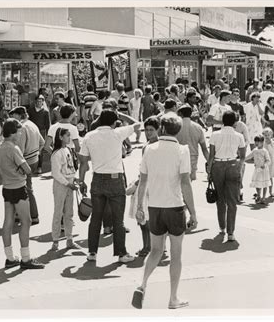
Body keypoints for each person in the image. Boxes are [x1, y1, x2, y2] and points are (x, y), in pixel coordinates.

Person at [132, 113, 198, 310]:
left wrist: (139, 207)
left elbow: (142, 181)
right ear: (178, 130)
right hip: (174, 206)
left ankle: (142, 284)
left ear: (161, 128)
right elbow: (185, 182)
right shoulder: (182, 150)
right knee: (176, 256)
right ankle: (173, 298)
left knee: (155, 251)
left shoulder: (149, 149)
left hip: (155, 206)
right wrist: (193, 212)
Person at [79, 110, 141, 263]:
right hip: (115, 179)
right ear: (114, 122)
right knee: (118, 219)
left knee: (96, 218)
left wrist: (81, 181)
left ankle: (92, 252)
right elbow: (138, 124)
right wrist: (122, 115)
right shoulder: (118, 133)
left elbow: (83, 162)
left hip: (97, 178)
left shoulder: (89, 136)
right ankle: (121, 253)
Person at [0, 118, 45, 269]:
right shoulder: (13, 148)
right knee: (26, 221)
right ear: (12, 132)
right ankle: (25, 258)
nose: (19, 134)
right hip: (18, 186)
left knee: (8, 221)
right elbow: (28, 169)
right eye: (18, 131)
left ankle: (10, 257)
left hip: (6, 187)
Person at [206, 111, 246, 242]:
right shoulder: (239, 136)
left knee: (220, 199)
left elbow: (211, 155)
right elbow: (243, 156)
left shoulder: (215, 135)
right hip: (233, 164)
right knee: (232, 201)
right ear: (235, 122)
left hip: (218, 165)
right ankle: (231, 232)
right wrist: (239, 167)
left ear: (222, 121)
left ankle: (222, 227)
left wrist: (209, 170)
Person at [127, 116, 160, 257]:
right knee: (143, 219)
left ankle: (152, 247)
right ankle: (147, 246)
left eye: (151, 130)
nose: (148, 133)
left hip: (155, 185)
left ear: (158, 130)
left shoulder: (160, 146)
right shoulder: (145, 146)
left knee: (151, 219)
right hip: (144, 184)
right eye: (146, 130)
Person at [9, 106, 45, 225]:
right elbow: (42, 142)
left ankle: (33, 215)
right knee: (25, 188)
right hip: (33, 159)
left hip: (26, 161)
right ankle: (20, 214)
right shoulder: (32, 124)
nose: (12, 118)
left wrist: (17, 164)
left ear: (19, 115)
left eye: (14, 115)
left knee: (26, 189)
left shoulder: (22, 128)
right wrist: (36, 153)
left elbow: (20, 149)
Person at [50, 128, 82, 251]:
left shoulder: (67, 150)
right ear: (61, 137)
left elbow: (70, 169)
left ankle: (69, 239)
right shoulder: (56, 154)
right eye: (67, 135)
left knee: (69, 213)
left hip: (69, 183)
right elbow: (56, 173)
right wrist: (68, 184)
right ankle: (55, 241)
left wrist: (75, 180)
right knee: (58, 213)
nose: (69, 138)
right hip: (60, 185)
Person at [176, 104, 209, 181]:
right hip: (193, 158)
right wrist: (210, 162)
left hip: (178, 157)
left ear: (180, 114)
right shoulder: (198, 127)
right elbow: (204, 148)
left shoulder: (176, 126)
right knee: (189, 183)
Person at [27, 95, 51, 174]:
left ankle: (39, 166)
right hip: (31, 132)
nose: (39, 103)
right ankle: (30, 166)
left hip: (41, 132)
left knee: (40, 149)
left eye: (40, 102)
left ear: (42, 102)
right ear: (35, 102)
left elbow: (47, 125)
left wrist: (48, 136)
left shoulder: (45, 112)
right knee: (30, 147)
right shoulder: (30, 111)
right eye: (37, 101)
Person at [245, 135, 271, 204]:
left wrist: (264, 165)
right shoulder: (254, 150)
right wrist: (242, 159)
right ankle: (259, 195)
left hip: (264, 170)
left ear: (262, 142)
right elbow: (249, 156)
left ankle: (264, 197)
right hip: (257, 169)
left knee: (265, 184)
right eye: (255, 141)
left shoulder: (264, 151)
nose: (256, 143)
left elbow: (268, 160)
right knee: (257, 183)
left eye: (258, 142)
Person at [262, 127, 274, 198]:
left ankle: (270, 191)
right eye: (265, 135)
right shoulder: (262, 143)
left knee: (270, 177)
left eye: (268, 135)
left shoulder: (273, 143)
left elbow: (273, 152)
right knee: (262, 178)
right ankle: (260, 193)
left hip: (271, 162)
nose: (267, 137)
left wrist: (269, 144)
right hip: (263, 162)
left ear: (271, 135)